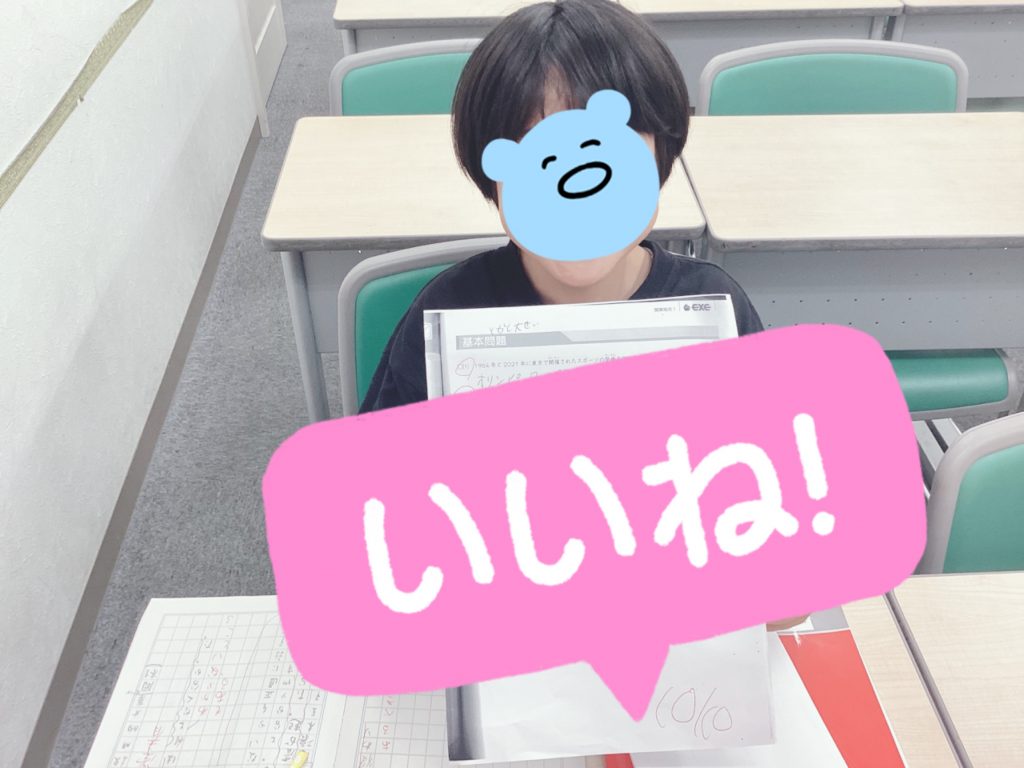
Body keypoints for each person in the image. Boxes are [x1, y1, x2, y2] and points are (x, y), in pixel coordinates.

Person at [358, 0, 805, 631]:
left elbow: (784, 572)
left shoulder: (714, 311)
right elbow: (370, 523)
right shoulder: (448, 311)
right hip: (500, 639)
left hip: (679, 652)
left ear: (656, 162)